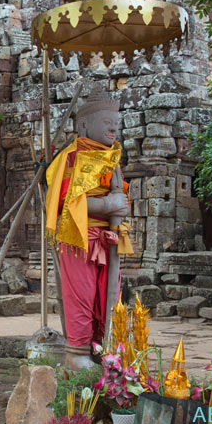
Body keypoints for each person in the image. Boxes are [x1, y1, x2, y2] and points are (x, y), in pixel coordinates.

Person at [44, 91, 133, 370]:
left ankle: (103, 349)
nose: (113, 127)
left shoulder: (113, 158)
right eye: (106, 121)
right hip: (78, 238)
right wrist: (108, 203)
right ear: (83, 126)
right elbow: (63, 201)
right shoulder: (71, 158)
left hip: (108, 239)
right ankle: (77, 353)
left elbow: (119, 200)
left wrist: (119, 208)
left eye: (115, 122)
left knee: (108, 296)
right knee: (81, 295)